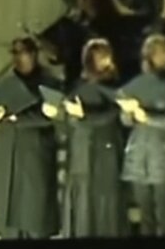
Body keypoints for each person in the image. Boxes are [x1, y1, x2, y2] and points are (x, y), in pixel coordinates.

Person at [0, 38, 61, 240]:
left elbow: (50, 117)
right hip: (10, 150)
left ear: (34, 55)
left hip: (34, 152)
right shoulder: (8, 84)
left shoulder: (50, 82)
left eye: (23, 53)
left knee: (33, 214)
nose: (19, 59)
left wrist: (18, 118)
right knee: (9, 218)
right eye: (15, 54)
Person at [53, 38, 127, 238]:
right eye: (100, 56)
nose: (105, 60)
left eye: (106, 54)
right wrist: (61, 114)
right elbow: (70, 122)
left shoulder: (116, 86)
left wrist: (84, 115)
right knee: (83, 206)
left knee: (107, 205)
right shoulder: (78, 87)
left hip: (107, 152)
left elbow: (112, 114)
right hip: (82, 153)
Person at [118, 35, 165, 237]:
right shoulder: (133, 85)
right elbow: (125, 121)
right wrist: (128, 113)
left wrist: (146, 116)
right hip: (138, 154)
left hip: (162, 154)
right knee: (145, 212)